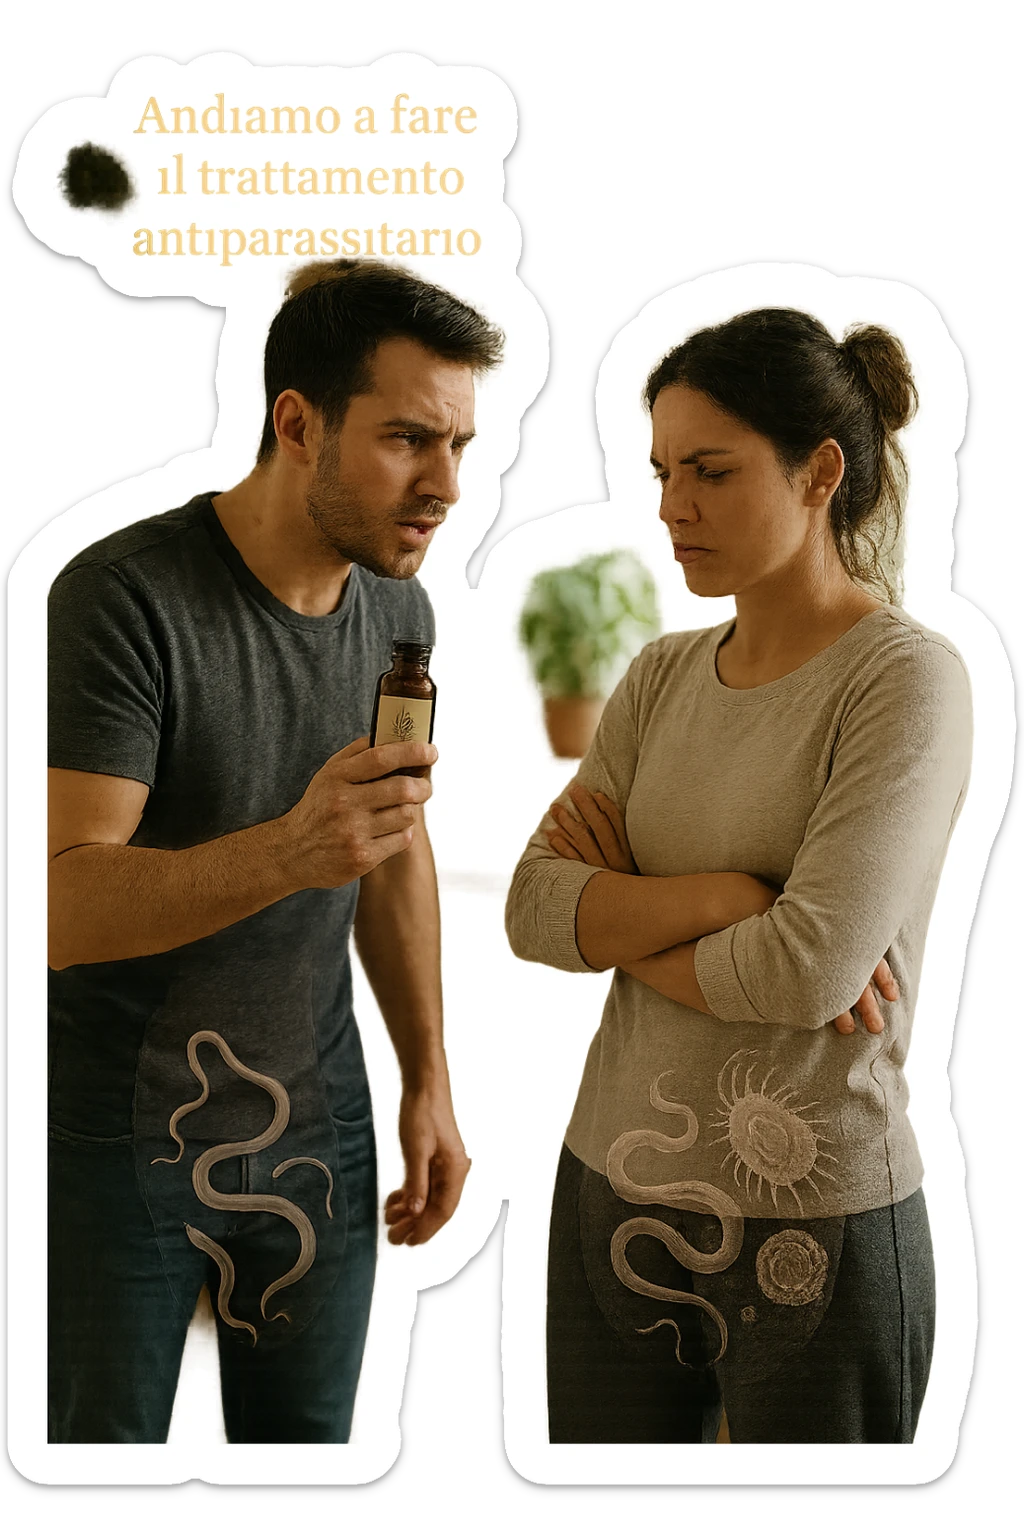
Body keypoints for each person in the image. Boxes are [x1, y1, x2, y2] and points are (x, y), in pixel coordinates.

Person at [47, 258, 504, 1444]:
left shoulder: (400, 610)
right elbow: (55, 905)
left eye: (459, 444)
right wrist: (293, 850)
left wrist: (429, 1076)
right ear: (296, 424)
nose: (445, 485)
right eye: (410, 440)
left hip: (325, 1138)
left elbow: (394, 846)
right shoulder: (121, 600)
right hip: (116, 1152)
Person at [505, 308, 972, 1445]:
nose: (673, 506)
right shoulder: (660, 677)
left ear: (821, 472)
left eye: (710, 471)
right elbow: (531, 907)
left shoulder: (903, 683)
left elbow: (806, 972)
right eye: (663, 470)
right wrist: (732, 903)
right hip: (606, 1191)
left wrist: (627, 927)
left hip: (818, 1228)